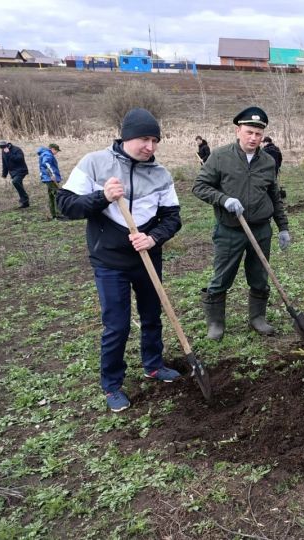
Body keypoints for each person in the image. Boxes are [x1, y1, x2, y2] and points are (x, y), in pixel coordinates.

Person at [57, 108, 183, 412]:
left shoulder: (161, 173)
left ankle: (153, 364)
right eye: (144, 139)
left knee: (152, 315)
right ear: (126, 136)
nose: (150, 147)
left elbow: (172, 217)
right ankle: (112, 384)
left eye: (155, 140)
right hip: (110, 260)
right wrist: (102, 196)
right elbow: (66, 205)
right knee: (117, 325)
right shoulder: (95, 163)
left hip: (147, 257)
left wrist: (153, 238)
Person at [193, 106, 290, 340]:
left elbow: (274, 196)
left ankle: (257, 318)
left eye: (258, 133)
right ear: (238, 131)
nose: (254, 138)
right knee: (221, 276)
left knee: (259, 275)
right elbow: (199, 187)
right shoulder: (220, 156)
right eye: (249, 132)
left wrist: (283, 227)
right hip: (230, 230)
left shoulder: (267, 162)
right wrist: (223, 199)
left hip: (260, 230)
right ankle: (216, 324)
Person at [0, 140, 30, 209]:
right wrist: (4, 174)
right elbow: (4, 163)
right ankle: (25, 203)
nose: (2, 149)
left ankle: (25, 198)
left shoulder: (16, 149)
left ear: (7, 145)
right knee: (19, 186)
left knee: (15, 182)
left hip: (21, 170)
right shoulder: (3, 151)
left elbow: (20, 159)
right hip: (13, 172)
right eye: (1, 148)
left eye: (3, 147)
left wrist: (9, 153)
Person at [37, 143, 64, 220]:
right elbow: (46, 163)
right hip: (50, 178)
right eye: (56, 151)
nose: (56, 153)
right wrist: (52, 174)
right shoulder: (48, 154)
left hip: (47, 178)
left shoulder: (46, 154)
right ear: (52, 149)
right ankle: (58, 214)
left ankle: (54, 214)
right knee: (57, 194)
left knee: (52, 196)